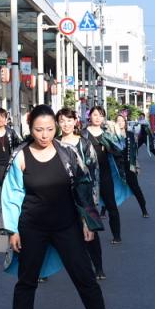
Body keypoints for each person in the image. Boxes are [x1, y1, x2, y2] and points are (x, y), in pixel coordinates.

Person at [0, 105, 121, 309]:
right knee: (27, 281)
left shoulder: (67, 153)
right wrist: (13, 230)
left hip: (67, 226)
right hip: (32, 227)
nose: (44, 135)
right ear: (30, 128)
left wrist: (88, 221)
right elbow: (11, 194)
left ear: (56, 127)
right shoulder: (20, 155)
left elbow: (83, 186)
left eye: (49, 129)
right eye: (38, 130)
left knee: (85, 277)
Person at [57, 108, 106, 280]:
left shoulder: (84, 143)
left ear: (75, 121)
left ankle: (98, 267)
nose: (66, 124)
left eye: (69, 120)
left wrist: (94, 199)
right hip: (62, 197)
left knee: (90, 232)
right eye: (62, 120)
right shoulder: (54, 144)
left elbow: (94, 171)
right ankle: (45, 269)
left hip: (84, 194)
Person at [83, 106, 126, 244]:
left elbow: (119, 150)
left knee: (111, 206)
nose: (98, 118)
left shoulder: (107, 133)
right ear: (90, 116)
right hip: (88, 175)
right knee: (88, 207)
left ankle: (117, 235)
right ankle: (89, 234)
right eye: (95, 115)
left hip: (105, 173)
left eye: (101, 115)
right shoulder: (82, 134)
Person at [110, 112, 149, 218]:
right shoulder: (112, 136)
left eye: (122, 121)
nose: (120, 123)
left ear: (125, 122)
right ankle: (104, 210)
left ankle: (144, 209)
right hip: (115, 167)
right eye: (118, 121)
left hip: (128, 166)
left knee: (135, 188)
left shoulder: (130, 135)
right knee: (110, 188)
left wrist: (135, 165)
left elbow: (134, 151)